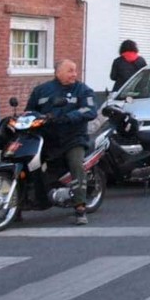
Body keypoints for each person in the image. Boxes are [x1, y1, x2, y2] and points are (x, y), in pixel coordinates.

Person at [26, 60, 98, 225]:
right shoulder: (41, 90)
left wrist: (68, 117)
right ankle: (22, 203)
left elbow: (90, 110)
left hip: (73, 138)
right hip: (48, 138)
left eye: (75, 70)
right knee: (29, 163)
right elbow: (30, 111)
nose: (74, 74)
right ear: (58, 72)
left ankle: (80, 207)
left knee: (76, 164)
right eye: (70, 71)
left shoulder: (83, 90)